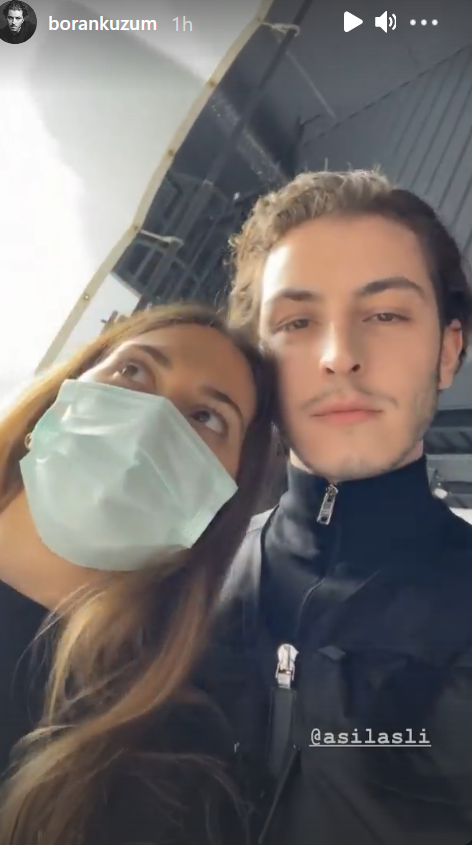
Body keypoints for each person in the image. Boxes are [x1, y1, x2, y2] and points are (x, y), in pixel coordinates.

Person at [205, 169, 472, 845]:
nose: (339, 357)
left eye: (385, 315)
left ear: (447, 352)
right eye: (296, 322)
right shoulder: (186, 581)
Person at [0, 302, 275, 845]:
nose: (151, 420)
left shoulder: (163, 767)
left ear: (216, 507)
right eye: (133, 370)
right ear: (59, 398)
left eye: (207, 417)